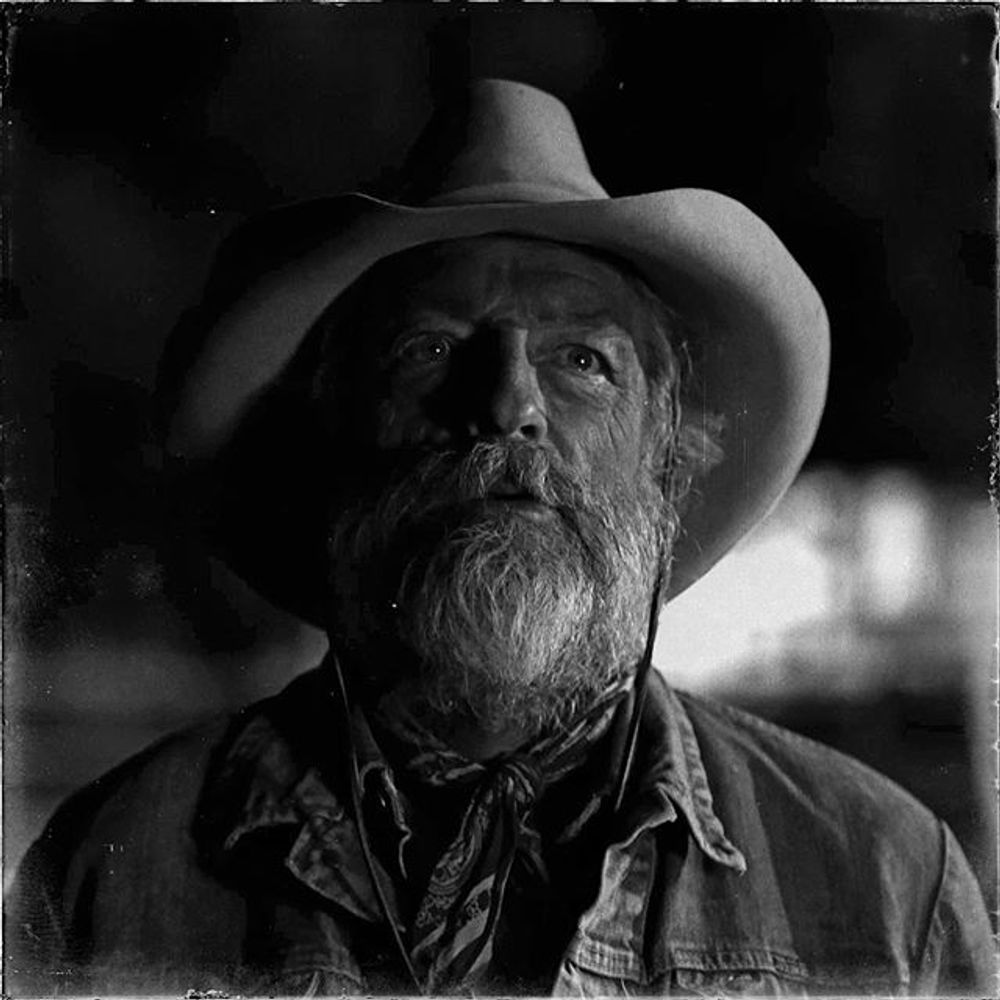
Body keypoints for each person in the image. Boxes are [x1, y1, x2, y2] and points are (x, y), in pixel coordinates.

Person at [6, 79, 994, 998]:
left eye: (582, 360)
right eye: (430, 348)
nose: (508, 404)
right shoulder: (115, 867)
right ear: (328, 440)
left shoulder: (883, 882)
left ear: (668, 460)